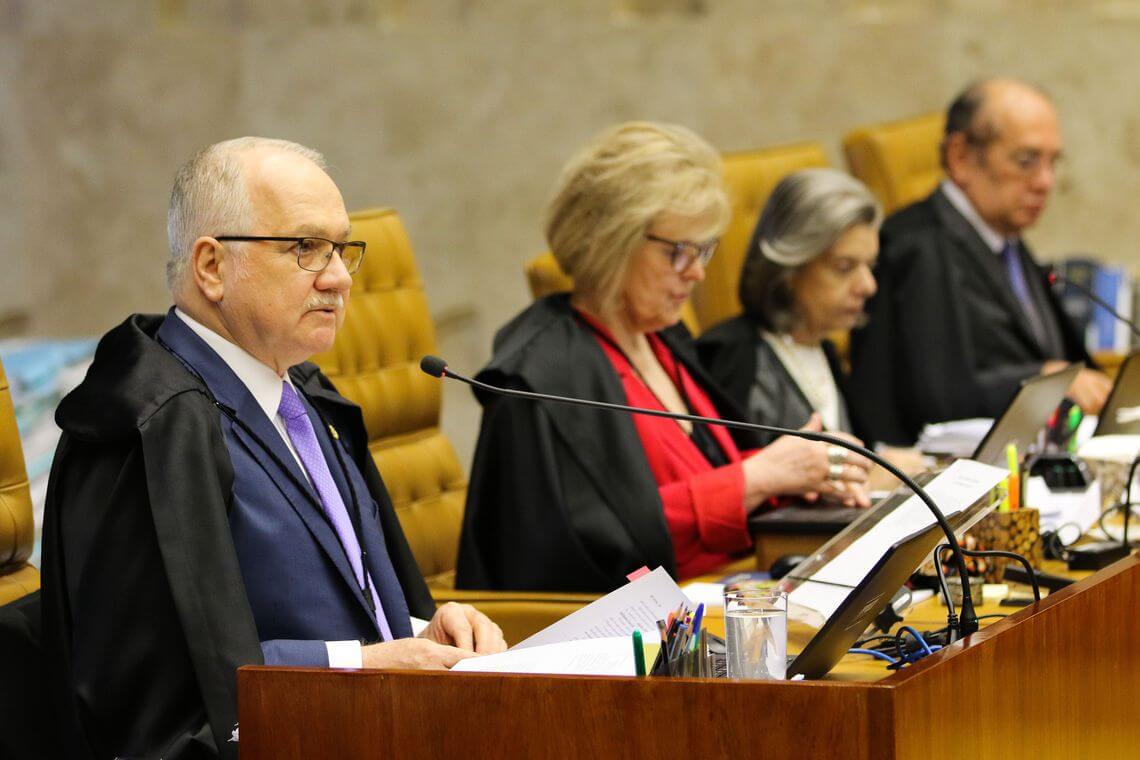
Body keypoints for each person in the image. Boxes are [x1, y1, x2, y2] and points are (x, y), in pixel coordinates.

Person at [39, 137, 505, 760]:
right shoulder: (149, 433)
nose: (339, 278)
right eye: (305, 248)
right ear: (211, 267)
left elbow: (344, 599)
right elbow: (163, 706)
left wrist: (428, 629)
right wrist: (363, 666)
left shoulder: (305, 394)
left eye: (341, 249)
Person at [456, 123, 872, 594]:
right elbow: (586, 546)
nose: (696, 273)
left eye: (704, 251)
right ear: (611, 240)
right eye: (679, 252)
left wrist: (803, 467)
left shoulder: (663, 338)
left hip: (731, 596)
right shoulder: (541, 375)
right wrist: (756, 477)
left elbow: (716, 477)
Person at [849, 78, 1112, 446]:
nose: (1045, 182)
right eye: (1026, 161)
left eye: (1053, 163)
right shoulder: (914, 245)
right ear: (960, 158)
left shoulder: (1004, 238)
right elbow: (932, 399)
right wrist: (1041, 379)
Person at [696, 168, 881, 442]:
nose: (868, 286)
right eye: (844, 268)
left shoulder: (824, 349)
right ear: (789, 269)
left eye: (870, 266)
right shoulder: (732, 359)